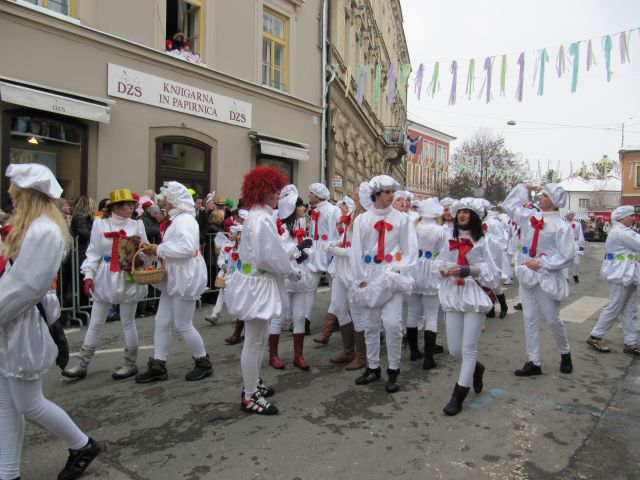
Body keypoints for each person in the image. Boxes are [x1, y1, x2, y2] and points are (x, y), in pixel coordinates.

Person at [0, 163, 101, 480]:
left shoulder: (44, 231)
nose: (11, 200)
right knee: (6, 402)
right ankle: (8, 472)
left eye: (15, 194)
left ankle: (82, 444)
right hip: (11, 320)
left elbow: (26, 288)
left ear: (30, 195)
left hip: (21, 322)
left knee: (29, 403)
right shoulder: (33, 226)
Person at [224, 166, 294, 415]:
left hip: (256, 282)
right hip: (257, 284)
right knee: (254, 341)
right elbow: (270, 256)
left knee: (260, 337)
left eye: (278, 190)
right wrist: (290, 268)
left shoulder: (258, 215)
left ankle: (253, 383)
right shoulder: (261, 218)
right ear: (262, 191)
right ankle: (249, 395)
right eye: (274, 190)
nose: (278, 194)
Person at [62, 189, 149, 381]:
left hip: (127, 276)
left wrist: (142, 258)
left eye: (133, 204)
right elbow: (93, 252)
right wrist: (88, 276)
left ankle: (130, 363)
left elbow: (145, 251)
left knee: (127, 321)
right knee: (95, 322)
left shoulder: (137, 225)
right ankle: (82, 363)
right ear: (116, 207)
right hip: (105, 275)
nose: (132, 207)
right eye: (128, 205)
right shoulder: (99, 225)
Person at [135, 181, 213, 383]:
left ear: (176, 202)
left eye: (167, 199)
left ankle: (203, 361)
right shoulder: (177, 219)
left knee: (183, 324)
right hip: (175, 274)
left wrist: (158, 249)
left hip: (185, 275)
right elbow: (175, 246)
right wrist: (155, 248)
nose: (163, 202)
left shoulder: (185, 220)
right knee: (161, 321)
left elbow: (186, 249)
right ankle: (158, 364)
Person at [350, 175, 417, 393]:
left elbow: (409, 250)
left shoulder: (402, 219)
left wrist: (398, 270)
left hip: (391, 276)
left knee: (392, 324)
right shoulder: (362, 220)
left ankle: (394, 370)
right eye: (387, 192)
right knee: (370, 325)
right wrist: (359, 278)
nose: (392, 196)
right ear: (376, 194)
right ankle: (373, 367)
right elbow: (356, 251)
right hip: (371, 276)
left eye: (392, 191)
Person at [502, 183, 575, 377]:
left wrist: (543, 264)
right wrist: (522, 188)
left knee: (552, 319)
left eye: (544, 196)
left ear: (554, 201)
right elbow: (509, 206)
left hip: (546, 276)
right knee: (529, 319)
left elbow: (567, 255)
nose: (540, 198)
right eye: (540, 195)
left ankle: (565, 352)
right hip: (527, 274)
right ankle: (533, 361)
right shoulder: (530, 217)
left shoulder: (562, 226)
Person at [438, 198, 501, 415]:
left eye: (467, 212)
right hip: (453, 293)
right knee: (455, 350)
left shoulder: (485, 241)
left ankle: (458, 395)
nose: (462, 215)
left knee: (468, 349)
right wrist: (442, 269)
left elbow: (494, 274)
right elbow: (439, 260)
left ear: (474, 216)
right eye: (460, 212)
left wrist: (469, 270)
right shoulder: (447, 237)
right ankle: (477, 368)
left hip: (474, 295)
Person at [268, 186, 314, 370]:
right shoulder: (280, 227)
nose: (304, 209)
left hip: (301, 273)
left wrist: (306, 253)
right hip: (285, 275)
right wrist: (298, 249)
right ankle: (273, 355)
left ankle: (298, 355)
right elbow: (280, 251)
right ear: (291, 208)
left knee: (300, 316)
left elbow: (305, 247)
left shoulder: (301, 224)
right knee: (279, 316)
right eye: (300, 206)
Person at [587, 206, 640, 355]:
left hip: (628, 273)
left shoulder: (623, 232)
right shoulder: (621, 233)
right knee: (615, 306)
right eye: (631, 216)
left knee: (630, 309)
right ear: (623, 217)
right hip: (621, 274)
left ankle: (631, 342)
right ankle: (595, 336)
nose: (633, 218)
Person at [408, 198, 447, 370]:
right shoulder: (441, 230)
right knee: (431, 314)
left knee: (412, 312)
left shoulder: (412, 227)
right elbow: (445, 253)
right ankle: (428, 358)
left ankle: (414, 351)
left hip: (413, 269)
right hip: (432, 270)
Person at [308, 183, 342, 344]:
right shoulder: (315, 210)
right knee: (309, 287)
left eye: (311, 193)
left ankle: (335, 322)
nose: (309, 195)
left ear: (318, 195)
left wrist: (332, 252)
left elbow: (334, 233)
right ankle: (305, 321)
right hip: (316, 251)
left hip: (329, 251)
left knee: (335, 288)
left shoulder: (332, 210)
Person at [564, 210, 585, 283]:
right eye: (570, 214)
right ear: (567, 216)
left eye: (573, 214)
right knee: (565, 261)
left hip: (575, 243)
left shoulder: (577, 224)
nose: (572, 216)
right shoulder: (563, 224)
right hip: (566, 244)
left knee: (576, 262)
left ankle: (575, 274)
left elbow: (580, 234)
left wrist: (581, 245)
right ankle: (566, 277)